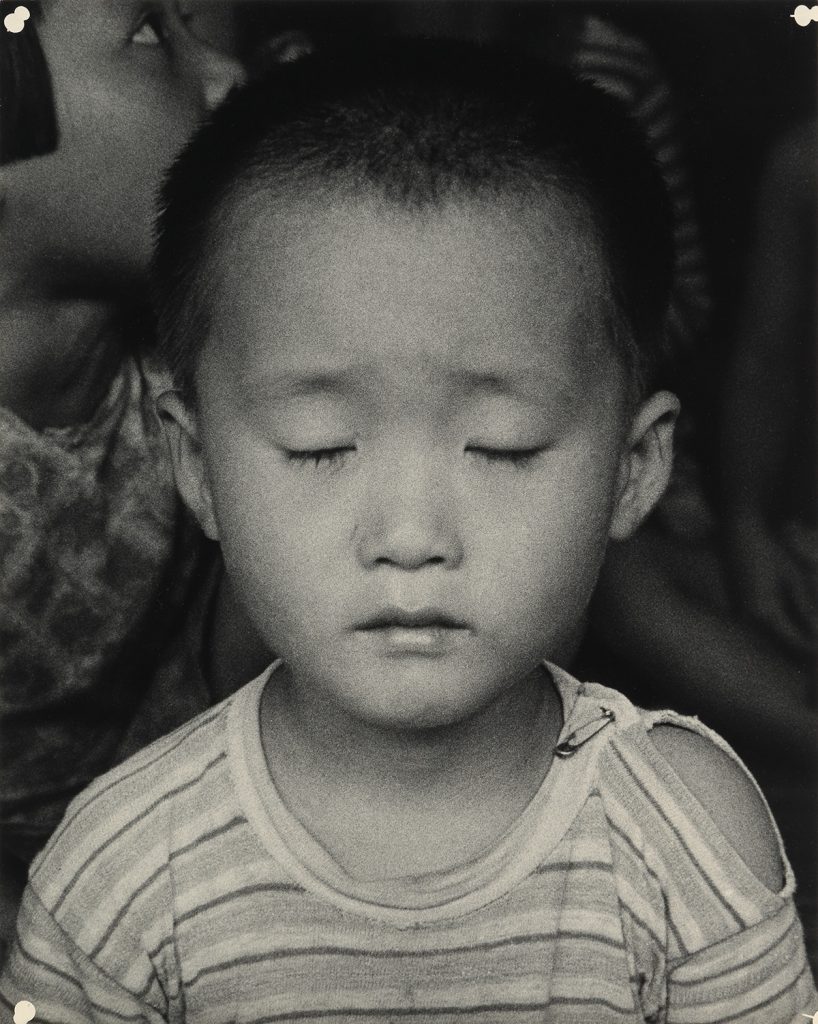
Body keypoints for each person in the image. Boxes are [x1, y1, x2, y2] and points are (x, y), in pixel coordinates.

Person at [2, 42, 815, 1021]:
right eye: (316, 446)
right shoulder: (116, 874)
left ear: (630, 471)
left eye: (504, 447)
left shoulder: (692, 833)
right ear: (199, 467)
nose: (409, 535)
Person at [0, 0, 274, 955]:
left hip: (181, 849)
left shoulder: (184, 374)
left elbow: (246, 678)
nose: (226, 74)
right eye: (152, 35)